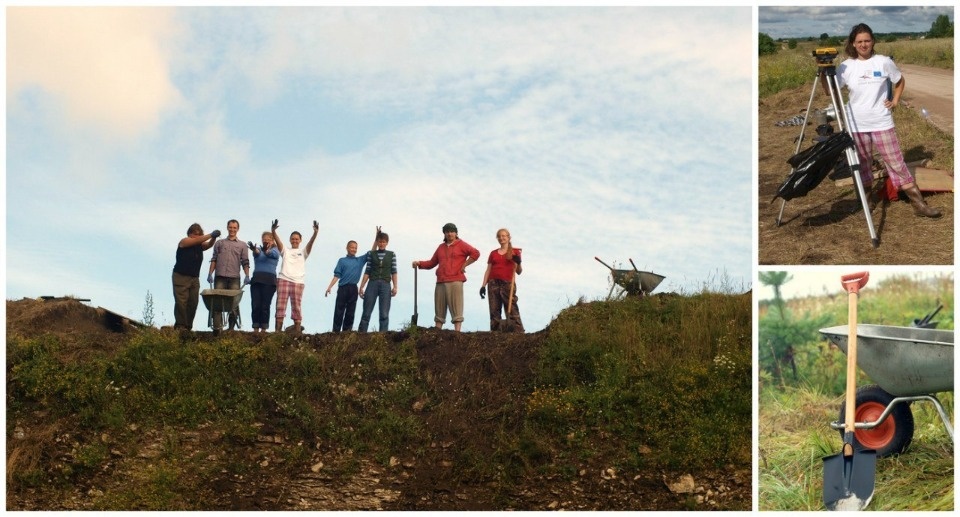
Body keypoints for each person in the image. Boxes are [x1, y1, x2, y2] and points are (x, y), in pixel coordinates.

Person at [823, 23, 941, 218]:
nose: (863, 44)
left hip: (882, 122)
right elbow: (829, 90)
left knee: (896, 162)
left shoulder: (883, 61)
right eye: (859, 41)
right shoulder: (846, 66)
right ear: (853, 43)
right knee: (862, 164)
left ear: (873, 41)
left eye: (867, 40)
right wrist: (823, 71)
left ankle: (919, 205)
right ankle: (867, 202)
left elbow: (899, 80)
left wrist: (895, 100)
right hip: (856, 125)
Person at [413, 222, 480, 332]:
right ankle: (437, 331)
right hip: (441, 281)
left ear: (456, 233)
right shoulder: (441, 247)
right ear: (444, 234)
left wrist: (465, 264)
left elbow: (475, 253)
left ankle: (457, 333)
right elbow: (432, 262)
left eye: (452, 232)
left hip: (455, 280)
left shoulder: (461, 244)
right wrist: (419, 263)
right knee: (439, 308)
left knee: (456, 307)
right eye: (447, 232)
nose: (449, 234)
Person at [272, 219, 318, 334]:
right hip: (284, 279)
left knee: (296, 306)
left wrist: (315, 233)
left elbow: (311, 244)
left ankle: (297, 332)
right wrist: (273, 231)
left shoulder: (303, 252)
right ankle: (277, 332)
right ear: (290, 240)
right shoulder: (285, 251)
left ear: (300, 240)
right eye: (293, 239)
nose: (295, 240)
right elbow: (278, 242)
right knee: (280, 306)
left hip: (298, 281)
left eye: (297, 239)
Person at [172, 223, 220, 330]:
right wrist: (210, 235)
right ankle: (180, 326)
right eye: (196, 235)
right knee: (181, 302)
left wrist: (213, 238)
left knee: (193, 303)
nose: (198, 238)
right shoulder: (184, 242)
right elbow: (195, 241)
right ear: (190, 234)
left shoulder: (199, 245)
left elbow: (208, 245)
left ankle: (188, 327)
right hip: (181, 276)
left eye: (199, 235)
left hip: (194, 278)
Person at [207, 219, 251, 331]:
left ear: (238, 229)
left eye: (234, 228)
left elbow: (245, 261)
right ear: (227, 228)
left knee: (233, 303)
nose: (232, 229)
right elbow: (214, 259)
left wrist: (247, 275)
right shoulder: (219, 243)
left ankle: (231, 328)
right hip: (220, 276)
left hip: (234, 278)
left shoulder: (242, 245)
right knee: (217, 302)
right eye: (230, 227)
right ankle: (218, 327)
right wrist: (210, 273)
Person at [480, 228, 524, 332]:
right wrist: (483, 285)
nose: (501, 238)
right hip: (493, 282)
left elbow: (519, 271)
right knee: (494, 309)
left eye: (504, 236)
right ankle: (495, 332)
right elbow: (488, 270)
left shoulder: (515, 252)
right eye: (499, 236)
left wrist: (519, 262)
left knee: (512, 307)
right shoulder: (493, 253)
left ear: (509, 237)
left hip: (507, 283)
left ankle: (518, 331)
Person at [358, 227, 398, 332]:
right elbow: (367, 271)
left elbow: (394, 271)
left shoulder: (392, 255)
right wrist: (362, 286)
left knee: (384, 314)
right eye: (380, 242)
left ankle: (382, 336)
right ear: (377, 242)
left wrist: (395, 286)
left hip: (385, 284)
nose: (381, 244)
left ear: (387, 243)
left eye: (384, 242)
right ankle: (360, 335)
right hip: (372, 283)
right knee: (366, 312)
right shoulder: (372, 254)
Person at [324, 240, 367, 332]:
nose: (354, 249)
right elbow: (337, 276)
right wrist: (329, 287)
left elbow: (371, 252)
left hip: (353, 288)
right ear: (347, 248)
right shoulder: (342, 261)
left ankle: (347, 331)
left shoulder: (359, 260)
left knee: (351, 311)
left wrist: (376, 238)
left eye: (355, 248)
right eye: (352, 247)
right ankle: (335, 331)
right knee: (339, 310)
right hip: (343, 288)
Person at [248, 231, 280, 334]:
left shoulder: (276, 250)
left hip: (269, 281)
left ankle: (264, 328)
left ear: (272, 240)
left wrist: (267, 250)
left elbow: (271, 254)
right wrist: (254, 249)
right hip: (257, 279)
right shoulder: (259, 250)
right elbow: (256, 253)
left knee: (265, 305)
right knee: (256, 304)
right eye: (264, 239)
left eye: (268, 239)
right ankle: (255, 327)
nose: (266, 241)